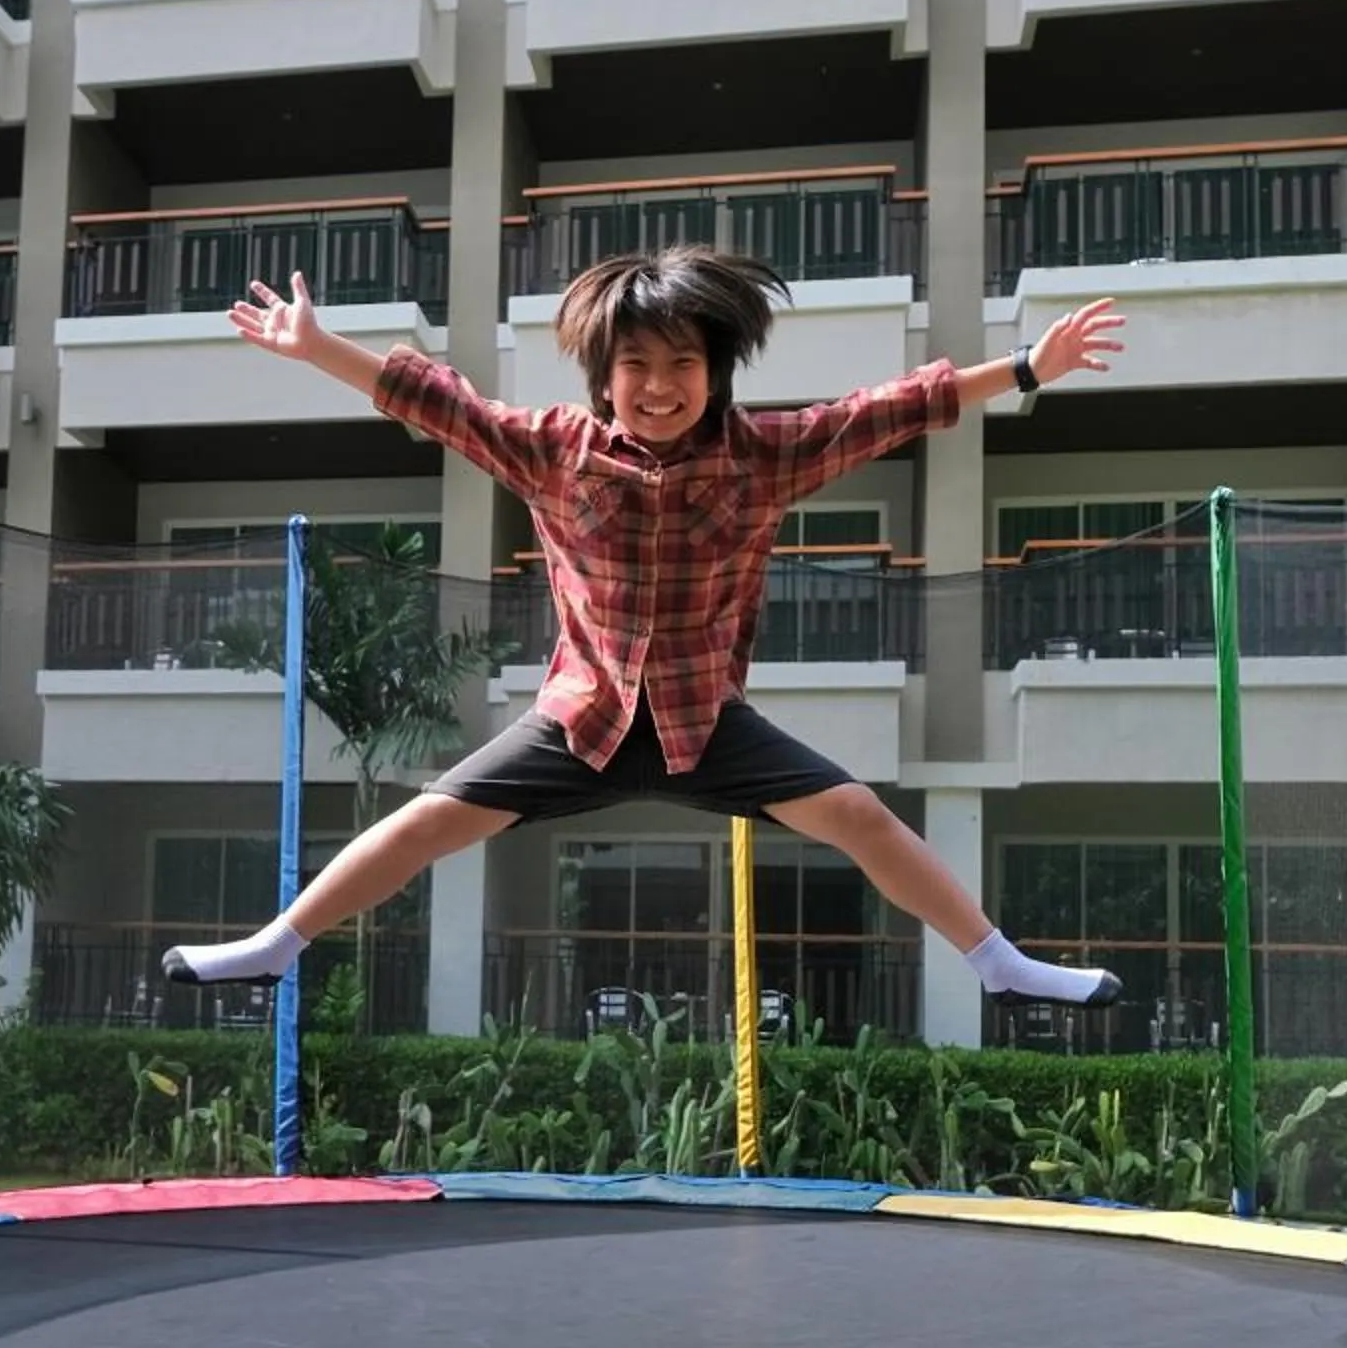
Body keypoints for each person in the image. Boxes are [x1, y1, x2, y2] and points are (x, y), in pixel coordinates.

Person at [161, 247, 1130, 1012]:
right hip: (581, 719)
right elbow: (436, 402)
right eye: (636, 366)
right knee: (425, 819)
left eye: (682, 365)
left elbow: (889, 411)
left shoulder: (764, 455)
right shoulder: (555, 451)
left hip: (704, 721)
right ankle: (275, 947)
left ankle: (1000, 962)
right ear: (603, 374)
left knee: (861, 816)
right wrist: (317, 345)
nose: (658, 386)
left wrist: (1026, 369)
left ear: (716, 372)